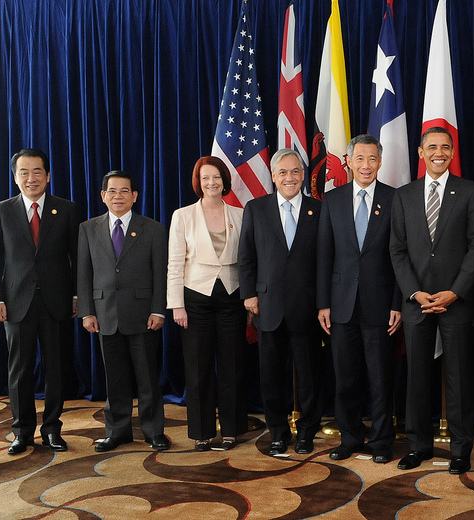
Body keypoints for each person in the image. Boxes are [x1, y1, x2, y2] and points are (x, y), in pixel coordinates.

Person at [389, 127, 474, 474]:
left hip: (455, 301)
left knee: (459, 378)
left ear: (452, 151)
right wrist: (414, 293)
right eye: (432, 147)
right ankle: (418, 446)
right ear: (420, 152)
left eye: (445, 147)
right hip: (417, 303)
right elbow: (397, 251)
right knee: (417, 377)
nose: (439, 152)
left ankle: (461, 450)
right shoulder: (404, 195)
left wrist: (455, 290)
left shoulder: (470, 192)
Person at [0, 148, 78, 455]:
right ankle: (22, 431)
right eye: (24, 172)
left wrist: (77, 295)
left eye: (37, 171)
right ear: (15, 178)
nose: (31, 178)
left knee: (56, 369)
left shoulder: (65, 209)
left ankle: (52, 429)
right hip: (15, 303)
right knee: (20, 370)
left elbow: (78, 259)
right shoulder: (1, 210)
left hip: (57, 302)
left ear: (48, 176)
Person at [317, 135, 402, 464]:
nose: (366, 165)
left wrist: (397, 302)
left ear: (380, 163)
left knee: (381, 378)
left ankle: (381, 441)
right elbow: (324, 254)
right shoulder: (333, 199)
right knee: (346, 377)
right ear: (348, 162)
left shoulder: (394, 199)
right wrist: (323, 303)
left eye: (372, 159)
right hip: (340, 305)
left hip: (381, 305)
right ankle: (350, 437)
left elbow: (399, 256)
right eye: (360, 159)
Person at [77, 170, 169, 452]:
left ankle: (154, 431)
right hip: (104, 315)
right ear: (103, 196)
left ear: (135, 196)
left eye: (125, 191)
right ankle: (117, 431)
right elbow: (84, 273)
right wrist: (87, 312)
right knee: (114, 378)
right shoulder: (88, 228)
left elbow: (160, 274)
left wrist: (159, 310)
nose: (119, 196)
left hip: (143, 315)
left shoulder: (152, 228)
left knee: (147, 379)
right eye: (113, 191)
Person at [239, 148, 322, 456]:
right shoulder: (256, 208)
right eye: (283, 172)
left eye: (295, 171)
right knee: (271, 375)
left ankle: (306, 433)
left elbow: (324, 260)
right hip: (267, 305)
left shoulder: (318, 209)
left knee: (309, 376)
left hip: (307, 307)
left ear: (303, 175)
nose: (290, 177)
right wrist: (248, 294)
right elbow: (246, 256)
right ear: (273, 176)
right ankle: (278, 431)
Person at [167, 156, 247, 451]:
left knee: (232, 366)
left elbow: (247, 262)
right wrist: (176, 304)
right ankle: (201, 432)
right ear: (197, 183)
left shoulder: (240, 215)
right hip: (195, 299)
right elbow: (174, 263)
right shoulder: (183, 215)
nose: (211, 183)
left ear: (225, 180)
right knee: (198, 368)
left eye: (216, 177)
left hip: (232, 298)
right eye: (205, 178)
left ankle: (230, 430)